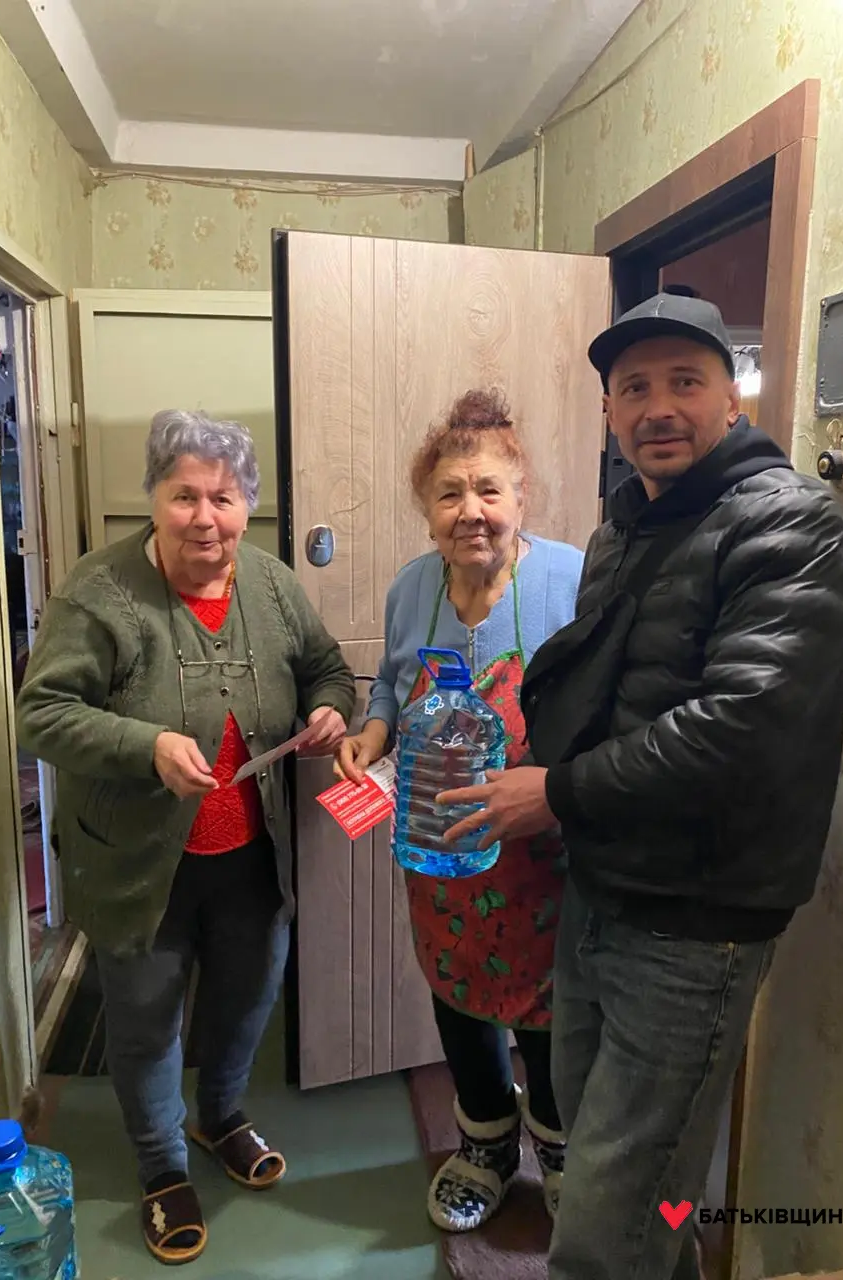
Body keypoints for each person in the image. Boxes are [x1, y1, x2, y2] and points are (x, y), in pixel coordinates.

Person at [437, 294, 843, 1279]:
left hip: (696, 922)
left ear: (732, 397)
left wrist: (554, 793)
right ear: (608, 411)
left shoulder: (794, 523)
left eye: (685, 381)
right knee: (625, 1185)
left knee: (603, 1226)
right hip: (601, 890)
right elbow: (603, 698)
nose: (657, 407)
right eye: (633, 388)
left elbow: (742, 730)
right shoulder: (627, 526)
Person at [16, 410, 356, 1265]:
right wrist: (148, 746)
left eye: (224, 498)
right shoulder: (98, 592)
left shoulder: (273, 585)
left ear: (247, 507)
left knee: (247, 997)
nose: (206, 517)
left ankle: (221, 1116)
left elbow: (326, 668)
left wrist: (328, 709)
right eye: (184, 496)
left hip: (251, 854)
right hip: (139, 863)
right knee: (144, 1020)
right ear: (154, 501)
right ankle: (162, 1163)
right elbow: (42, 713)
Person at [336, 389, 583, 1232]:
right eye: (449, 493)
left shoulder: (570, 578)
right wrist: (372, 735)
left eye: (488, 489)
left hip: (542, 846)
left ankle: (560, 1152)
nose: (470, 510)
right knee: (459, 993)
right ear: (427, 508)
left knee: (548, 1010)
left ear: (521, 495)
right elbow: (391, 685)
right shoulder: (413, 588)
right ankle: (484, 1146)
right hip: (438, 843)